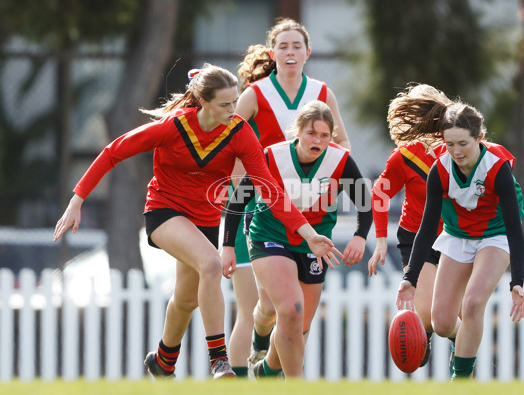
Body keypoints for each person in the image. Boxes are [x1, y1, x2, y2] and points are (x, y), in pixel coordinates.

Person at [53, 63, 340, 380]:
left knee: (187, 299)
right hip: (164, 211)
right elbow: (114, 151)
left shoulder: (239, 133)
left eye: (235, 101)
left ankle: (163, 361)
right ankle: (219, 360)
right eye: (225, 104)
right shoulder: (173, 127)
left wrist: (308, 233)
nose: (234, 109)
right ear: (203, 102)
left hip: (205, 220)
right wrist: (77, 199)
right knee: (211, 265)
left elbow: (271, 190)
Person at [226, 17, 352, 378]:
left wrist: (331, 181)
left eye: (297, 45)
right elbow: (230, 142)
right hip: (261, 206)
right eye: (283, 45)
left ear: (308, 52)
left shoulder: (322, 92)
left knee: (295, 312)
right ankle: (253, 356)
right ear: (272, 52)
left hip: (309, 211)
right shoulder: (255, 94)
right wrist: (235, 186)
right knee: (258, 305)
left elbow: (343, 144)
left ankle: (270, 371)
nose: (290, 51)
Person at [221, 100, 371, 379]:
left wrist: (360, 237)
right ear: (298, 131)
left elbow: (365, 203)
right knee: (289, 309)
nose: (318, 141)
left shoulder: (339, 160)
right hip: (270, 235)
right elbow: (238, 200)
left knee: (299, 325)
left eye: (325, 135)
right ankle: (295, 383)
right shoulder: (271, 156)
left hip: (315, 243)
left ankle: (266, 371)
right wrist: (228, 245)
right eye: (312, 133)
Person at [394, 87, 524, 380]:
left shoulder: (497, 168)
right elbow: (427, 228)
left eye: (463, 144)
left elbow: (515, 228)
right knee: (440, 323)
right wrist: (409, 278)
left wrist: (517, 282)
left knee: (473, 302)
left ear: (479, 138)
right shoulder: (440, 170)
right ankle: (461, 342)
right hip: (457, 236)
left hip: (496, 235)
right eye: (450, 144)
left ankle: (461, 378)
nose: (456, 151)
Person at [367, 84, 450, 368]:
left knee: (455, 313)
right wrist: (380, 241)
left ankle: (461, 359)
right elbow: (379, 193)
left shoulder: (460, 149)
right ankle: (424, 334)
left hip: (456, 238)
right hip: (417, 237)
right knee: (427, 313)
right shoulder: (406, 156)